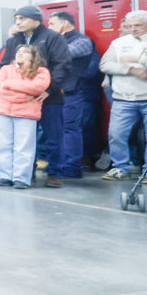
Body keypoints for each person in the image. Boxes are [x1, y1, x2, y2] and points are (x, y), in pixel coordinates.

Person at [0, 6, 72, 187]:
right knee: (23, 138)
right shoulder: (14, 40)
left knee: (53, 136)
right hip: (22, 99)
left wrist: (49, 90)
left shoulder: (53, 37)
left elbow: (62, 65)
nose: (17, 22)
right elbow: (5, 65)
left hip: (48, 97)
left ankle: (55, 172)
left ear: (37, 20)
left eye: (22, 18)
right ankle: (24, 172)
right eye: (16, 19)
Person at [98, 10, 147, 181]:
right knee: (116, 134)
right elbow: (105, 65)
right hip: (123, 98)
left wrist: (140, 58)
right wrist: (131, 70)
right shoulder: (119, 43)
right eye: (130, 26)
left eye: (138, 25)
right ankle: (120, 167)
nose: (133, 29)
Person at [42, 11, 95, 180]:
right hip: (54, 92)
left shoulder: (82, 41)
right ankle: (57, 164)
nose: (48, 28)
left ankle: (72, 166)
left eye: (51, 24)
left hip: (71, 92)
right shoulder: (56, 41)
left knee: (70, 128)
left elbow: (62, 54)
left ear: (64, 24)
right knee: (54, 130)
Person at [0, 45, 52, 189]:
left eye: (25, 52)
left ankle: (21, 178)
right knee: (2, 145)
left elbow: (37, 87)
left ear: (34, 56)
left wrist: (10, 85)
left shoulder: (41, 71)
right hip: (3, 112)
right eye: (18, 51)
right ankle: (4, 175)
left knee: (24, 146)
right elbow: (0, 90)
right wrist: (24, 95)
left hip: (27, 114)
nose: (20, 53)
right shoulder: (5, 69)